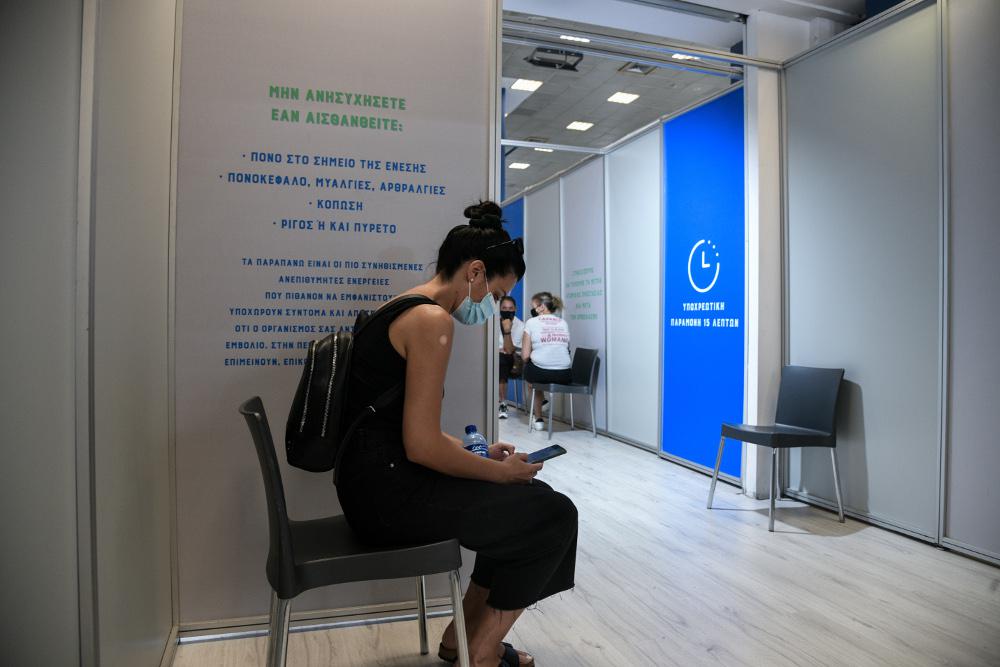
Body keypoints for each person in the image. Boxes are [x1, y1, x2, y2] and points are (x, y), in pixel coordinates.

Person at [336, 201, 578, 667]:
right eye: (497, 293)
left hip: (368, 486)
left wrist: (483, 459)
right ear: (475, 272)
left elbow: (411, 432)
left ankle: (460, 640)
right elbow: (421, 446)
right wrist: (499, 473)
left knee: (523, 503)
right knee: (553, 514)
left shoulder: (399, 307)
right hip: (386, 499)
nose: (493, 306)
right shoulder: (432, 321)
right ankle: (481, 653)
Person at [521, 292, 572, 431]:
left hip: (541, 373)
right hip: (565, 374)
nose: (533, 310)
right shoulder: (563, 323)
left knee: (529, 369)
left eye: (534, 306)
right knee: (536, 368)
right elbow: (567, 349)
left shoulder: (531, 322)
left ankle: (538, 418)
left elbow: (525, 356)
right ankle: (542, 402)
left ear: (542, 307)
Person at [497, 296, 525, 419]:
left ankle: (503, 403)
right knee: (499, 358)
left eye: (510, 308)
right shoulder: (493, 322)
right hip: (495, 358)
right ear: (499, 309)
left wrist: (507, 330)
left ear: (515, 309)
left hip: (514, 362)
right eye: (504, 308)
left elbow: (509, 350)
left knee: (502, 359)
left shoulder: (520, 325)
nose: (507, 311)